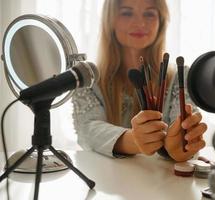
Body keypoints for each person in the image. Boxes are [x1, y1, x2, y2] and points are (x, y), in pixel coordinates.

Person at [72, 0, 207, 162]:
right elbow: (87, 129)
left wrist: (181, 146)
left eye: (149, 13)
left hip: (164, 183)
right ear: (110, 20)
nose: (140, 23)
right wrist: (134, 140)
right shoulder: (88, 77)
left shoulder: (181, 76)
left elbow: (183, 129)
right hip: (105, 182)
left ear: (161, 21)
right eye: (127, 13)